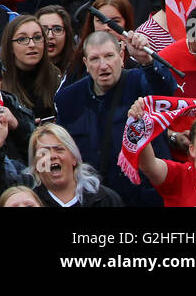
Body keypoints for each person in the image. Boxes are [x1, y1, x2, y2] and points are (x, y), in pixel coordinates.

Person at [54, 31, 175, 206]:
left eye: (109, 56)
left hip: (147, 197)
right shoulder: (68, 100)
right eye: (95, 59)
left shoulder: (142, 81)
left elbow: (166, 91)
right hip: (97, 199)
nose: (103, 65)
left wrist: (147, 62)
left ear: (121, 55)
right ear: (86, 64)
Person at [0, 14, 60, 122]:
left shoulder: (55, 75)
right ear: (10, 46)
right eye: (22, 39)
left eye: (37, 37)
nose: (32, 44)